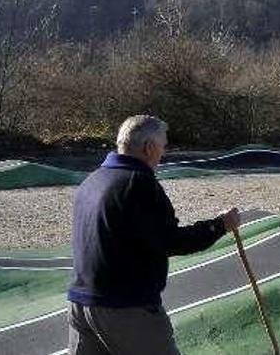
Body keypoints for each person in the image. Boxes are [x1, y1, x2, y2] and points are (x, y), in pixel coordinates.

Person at [68, 115, 240, 355]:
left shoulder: (91, 181)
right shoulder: (138, 183)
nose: (163, 152)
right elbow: (170, 241)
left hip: (81, 302)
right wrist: (219, 226)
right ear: (149, 148)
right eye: (163, 146)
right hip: (126, 306)